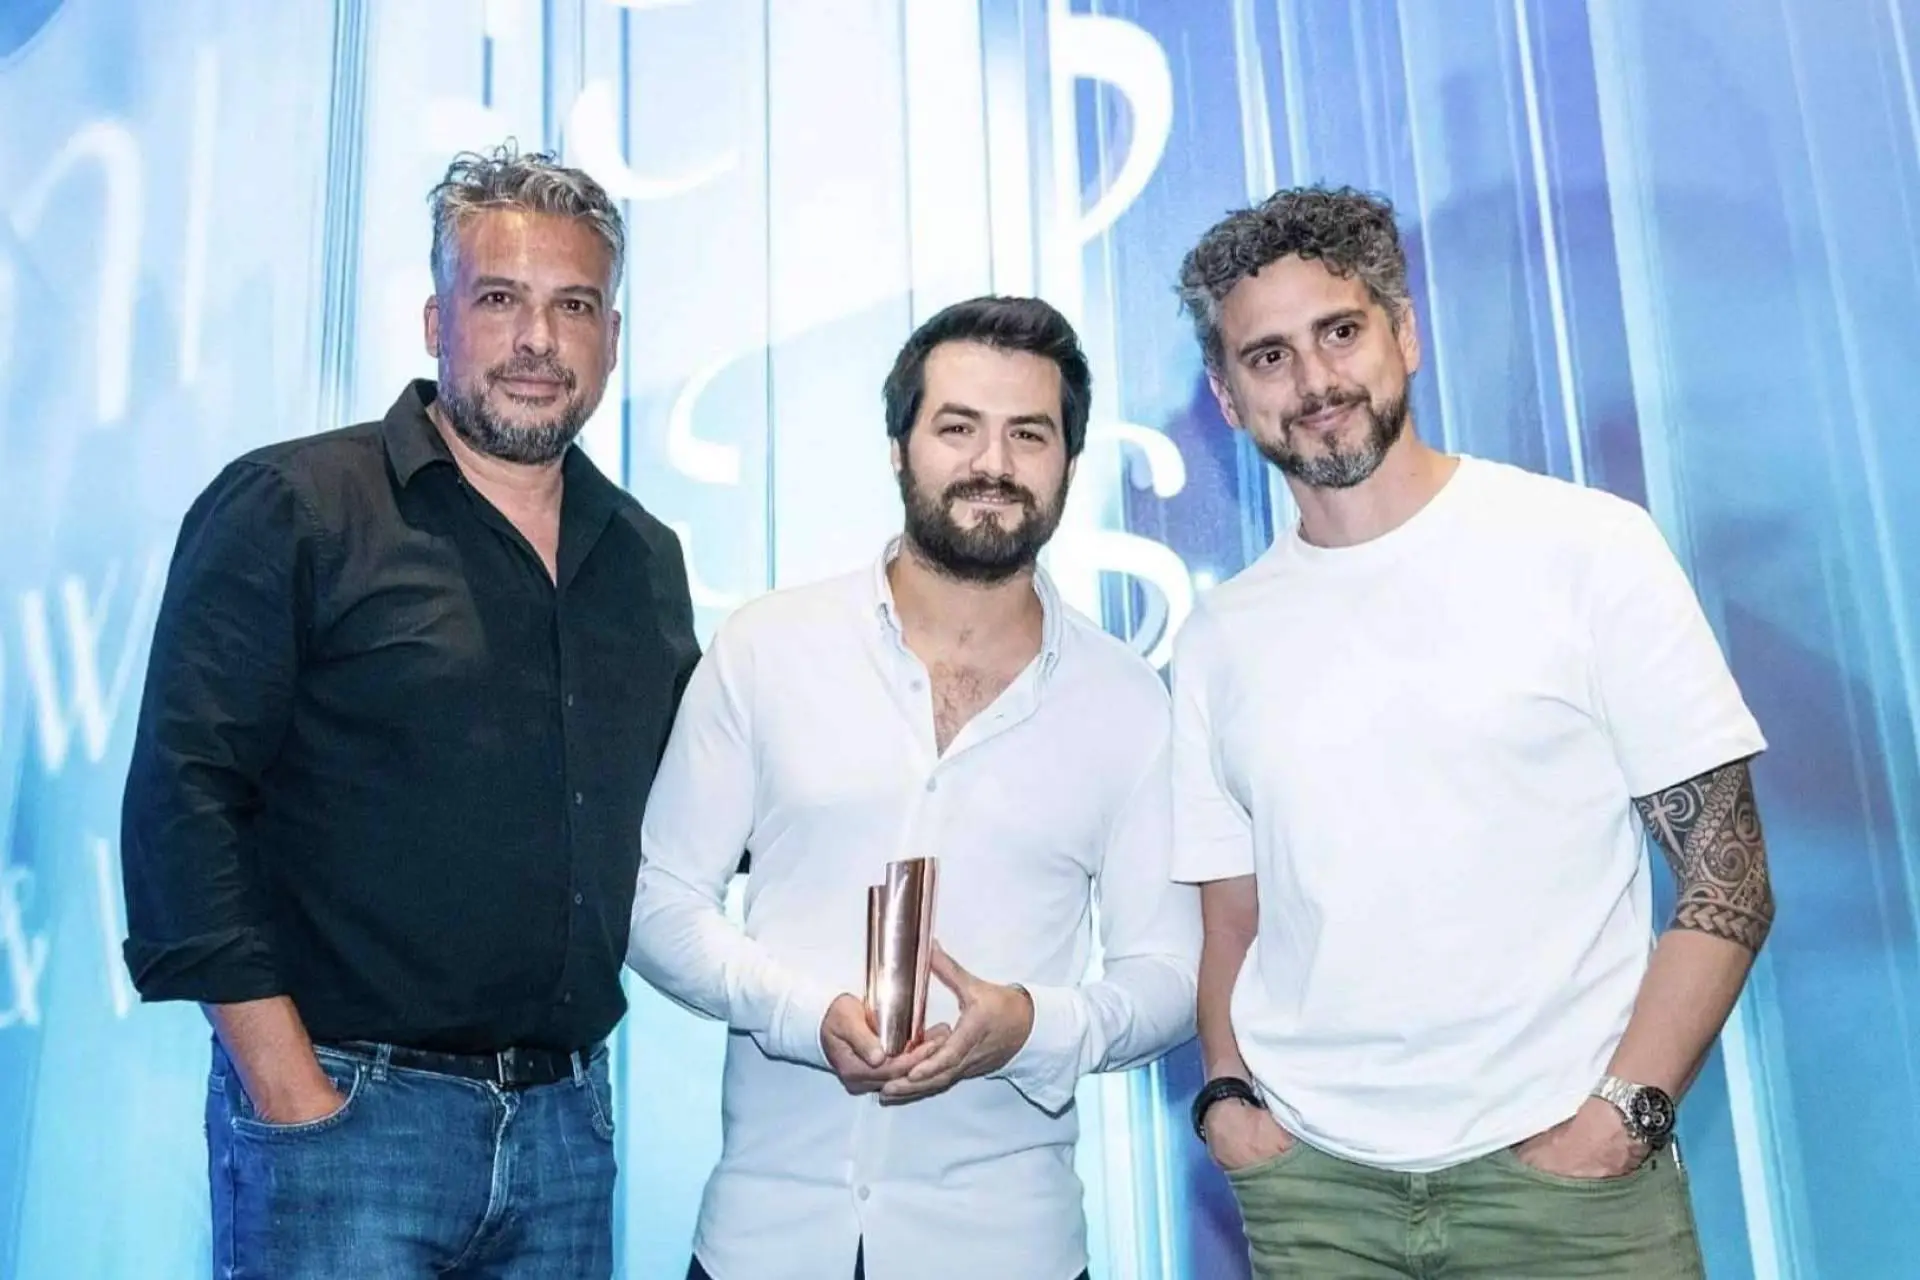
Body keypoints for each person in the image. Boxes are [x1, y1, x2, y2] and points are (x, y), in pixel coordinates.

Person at [1170, 187, 1775, 1279]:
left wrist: (1622, 1119)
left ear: (1404, 333)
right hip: (1318, 1200)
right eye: (1269, 356)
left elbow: (1728, 877)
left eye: (1340, 332)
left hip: (1572, 1193)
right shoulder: (1220, 636)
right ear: (1226, 394)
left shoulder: (1587, 548)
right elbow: (1232, 920)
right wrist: (1228, 1102)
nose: (1314, 382)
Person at [119, 144, 697, 1278]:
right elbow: (183, 803)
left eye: (574, 306)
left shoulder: (644, 558)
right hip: (346, 1124)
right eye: (501, 299)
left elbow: (697, 812)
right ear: (437, 320)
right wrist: (292, 1092)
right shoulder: (295, 505)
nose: (539, 340)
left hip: (567, 1134)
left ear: (613, 338)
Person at [627, 296, 1200, 1280]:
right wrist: (800, 1011)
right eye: (958, 427)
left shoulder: (1129, 704)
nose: (994, 462)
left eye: (1029, 433)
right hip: (766, 1239)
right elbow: (657, 900)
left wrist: (1032, 1025)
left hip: (1008, 1247)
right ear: (899, 449)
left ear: (1070, 461)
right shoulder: (767, 647)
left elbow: (1173, 976)